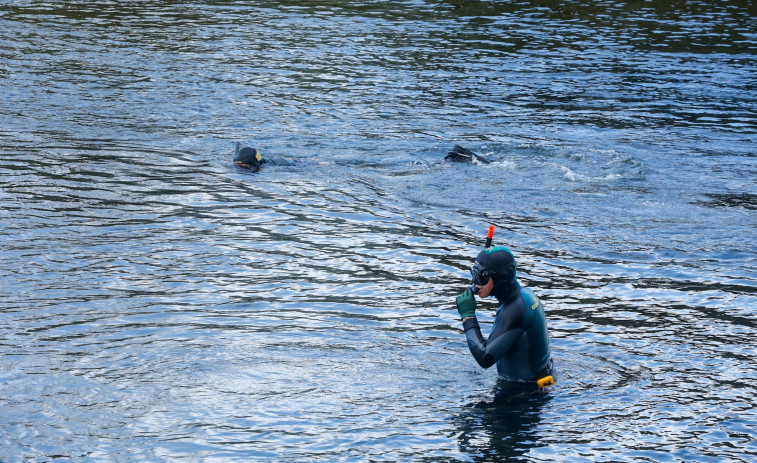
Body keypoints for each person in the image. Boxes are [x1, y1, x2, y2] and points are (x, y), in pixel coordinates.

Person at [455, 246, 554, 386]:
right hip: (536, 382)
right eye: (474, 274)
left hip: (526, 394)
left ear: (500, 277)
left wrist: (468, 316)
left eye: (481, 277)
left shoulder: (515, 310)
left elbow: (485, 357)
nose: (475, 283)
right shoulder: (523, 296)